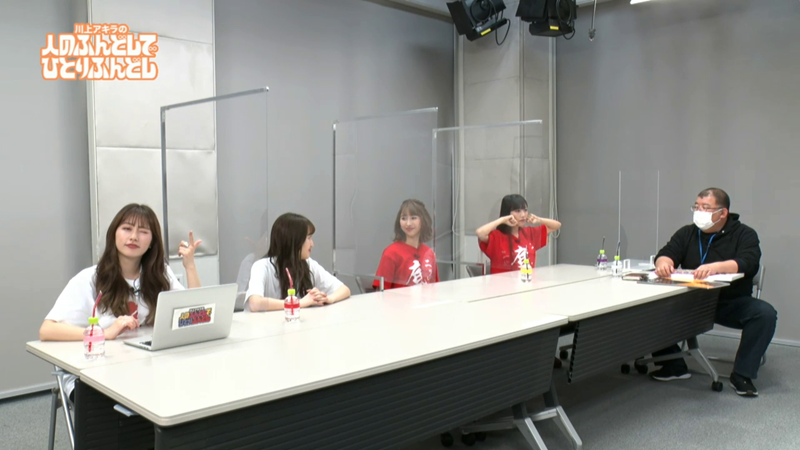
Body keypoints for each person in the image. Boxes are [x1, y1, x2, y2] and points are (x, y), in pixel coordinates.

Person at [39, 203, 201, 397]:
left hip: (143, 370)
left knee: (191, 387)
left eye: (143, 231)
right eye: (126, 229)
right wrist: (104, 334)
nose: (134, 237)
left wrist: (190, 267)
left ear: (152, 241)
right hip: (93, 374)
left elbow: (195, 314)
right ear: (114, 234)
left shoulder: (160, 275)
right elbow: (47, 330)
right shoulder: (89, 279)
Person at [651, 188, 776, 397]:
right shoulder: (687, 233)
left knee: (765, 314)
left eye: (705, 208)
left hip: (730, 302)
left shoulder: (744, 234)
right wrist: (663, 263)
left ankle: (742, 375)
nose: (699, 212)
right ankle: (674, 365)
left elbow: (749, 263)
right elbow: (666, 253)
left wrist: (717, 267)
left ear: (723, 213)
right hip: (691, 300)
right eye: (696, 207)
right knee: (648, 307)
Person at [245, 213, 350, 311]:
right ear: (294, 241)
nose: (312, 244)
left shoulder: (308, 264)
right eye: (308, 238)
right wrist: (298, 303)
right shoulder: (262, 267)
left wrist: (327, 298)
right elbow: (255, 303)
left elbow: (344, 290)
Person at [477, 194, 561, 273]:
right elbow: (480, 233)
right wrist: (502, 220)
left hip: (527, 281)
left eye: (525, 210)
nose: (523, 215)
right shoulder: (497, 236)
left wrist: (539, 220)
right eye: (518, 211)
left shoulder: (529, 232)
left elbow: (556, 225)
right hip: (503, 283)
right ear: (507, 213)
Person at [374, 199, 439, 290]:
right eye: (404, 218)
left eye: (413, 218)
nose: (408, 223)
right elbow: (380, 291)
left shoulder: (429, 253)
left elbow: (435, 287)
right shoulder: (391, 253)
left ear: (423, 220)